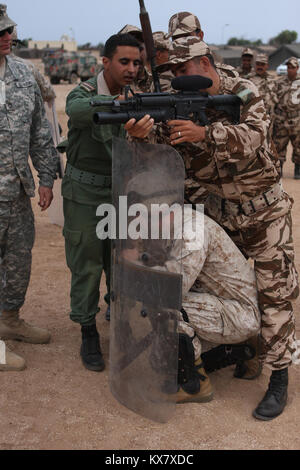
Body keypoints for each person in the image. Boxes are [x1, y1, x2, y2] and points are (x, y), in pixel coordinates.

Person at [146, 36, 299, 420]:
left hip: (265, 216)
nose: (178, 77)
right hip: (220, 216)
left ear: (206, 62)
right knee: (219, 289)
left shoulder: (243, 90)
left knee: (274, 296)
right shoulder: (174, 99)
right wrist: (142, 132)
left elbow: (255, 136)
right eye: (173, 71)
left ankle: (278, 379)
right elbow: (163, 148)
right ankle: (236, 350)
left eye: (184, 70)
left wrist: (206, 134)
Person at [122, 171, 260, 403]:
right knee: (159, 360)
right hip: (219, 300)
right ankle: (239, 350)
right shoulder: (169, 225)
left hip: (241, 313)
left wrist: (136, 264)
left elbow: (172, 292)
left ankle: (195, 384)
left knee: (163, 306)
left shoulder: (191, 234)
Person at [62, 33, 153, 372]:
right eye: (124, 62)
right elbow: (76, 110)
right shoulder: (84, 93)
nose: (131, 69)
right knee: (87, 263)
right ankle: (88, 331)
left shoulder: (138, 98)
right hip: (84, 195)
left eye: (136, 63)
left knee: (121, 262)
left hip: (120, 194)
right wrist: (118, 106)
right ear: (105, 62)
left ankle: (120, 319)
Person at [0, 5, 58, 371]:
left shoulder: (24, 75)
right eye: (0, 33)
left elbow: (40, 130)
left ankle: (8, 319)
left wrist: (47, 178)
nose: (8, 37)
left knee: (19, 260)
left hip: (17, 192)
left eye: (8, 31)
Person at [272, 57, 300, 179]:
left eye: (293, 67)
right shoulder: (279, 83)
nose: (290, 70)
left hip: (297, 120)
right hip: (281, 120)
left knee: (298, 146)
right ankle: (280, 170)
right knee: (279, 146)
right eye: (288, 67)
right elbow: (273, 100)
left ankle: (297, 171)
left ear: (297, 68)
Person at [248, 53, 278, 136]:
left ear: (267, 66)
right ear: (254, 65)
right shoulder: (247, 80)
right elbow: (242, 100)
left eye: (262, 64)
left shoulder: (273, 80)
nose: (260, 66)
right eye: (258, 64)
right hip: (254, 118)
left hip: (270, 118)